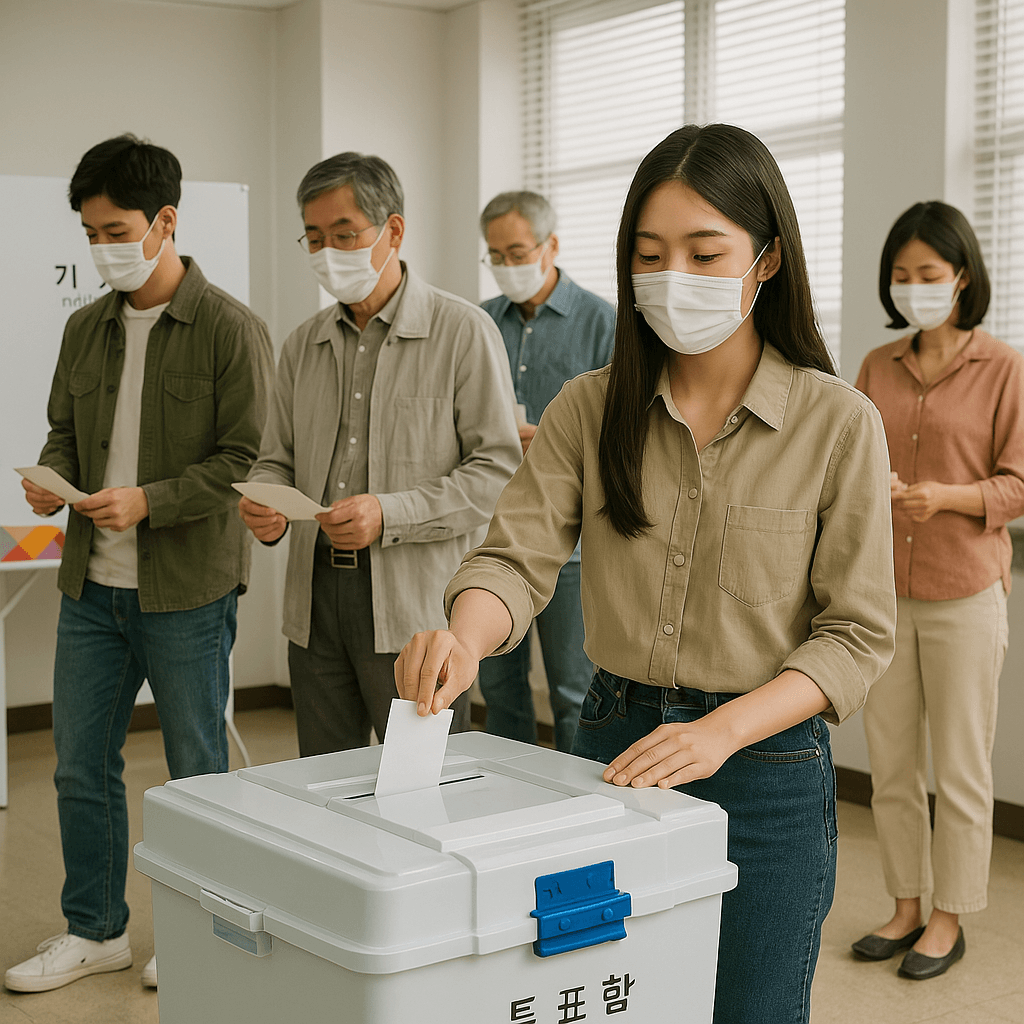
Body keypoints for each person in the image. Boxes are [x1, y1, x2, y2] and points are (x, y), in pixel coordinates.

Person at [395, 123, 897, 1024]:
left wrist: (723, 732)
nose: (675, 278)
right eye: (650, 254)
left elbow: (856, 635)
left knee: (752, 1007)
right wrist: (463, 639)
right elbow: (513, 558)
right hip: (612, 746)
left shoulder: (839, 424)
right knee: (614, 1000)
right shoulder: (589, 408)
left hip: (767, 768)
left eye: (706, 253)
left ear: (768, 259)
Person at [5, 135, 274, 994]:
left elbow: (247, 462)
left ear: (165, 221)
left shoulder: (231, 328)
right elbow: (62, 429)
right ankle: (95, 931)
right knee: (81, 764)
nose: (100, 248)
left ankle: (204, 930)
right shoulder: (85, 328)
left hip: (186, 590)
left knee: (198, 770)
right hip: (90, 585)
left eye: (114, 229)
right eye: (88, 232)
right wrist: (54, 484)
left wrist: (151, 499)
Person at [239, 152, 521, 756]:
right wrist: (263, 505)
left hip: (414, 607)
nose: (327, 253)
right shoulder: (301, 346)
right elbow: (274, 460)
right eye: (313, 239)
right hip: (315, 605)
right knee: (324, 786)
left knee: (423, 785)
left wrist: (389, 513)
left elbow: (497, 474)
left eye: (343, 235)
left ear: (392, 230)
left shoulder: (462, 332)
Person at [851, 202, 1024, 980]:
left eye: (929, 274)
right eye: (902, 275)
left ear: (961, 277)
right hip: (883, 592)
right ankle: (905, 904)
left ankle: (949, 915)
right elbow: (848, 466)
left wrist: (944, 497)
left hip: (964, 592)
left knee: (958, 765)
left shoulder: (1006, 368)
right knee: (890, 762)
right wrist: (875, 487)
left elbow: (1020, 484)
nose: (915, 286)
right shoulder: (875, 368)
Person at [477, 191, 615, 751]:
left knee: (572, 692)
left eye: (516, 251)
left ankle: (573, 814)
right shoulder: (482, 321)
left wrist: (557, 441)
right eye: (494, 255)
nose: (507, 266)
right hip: (493, 533)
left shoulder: (601, 322)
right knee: (498, 689)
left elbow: (630, 428)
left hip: (575, 546)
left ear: (550, 245)